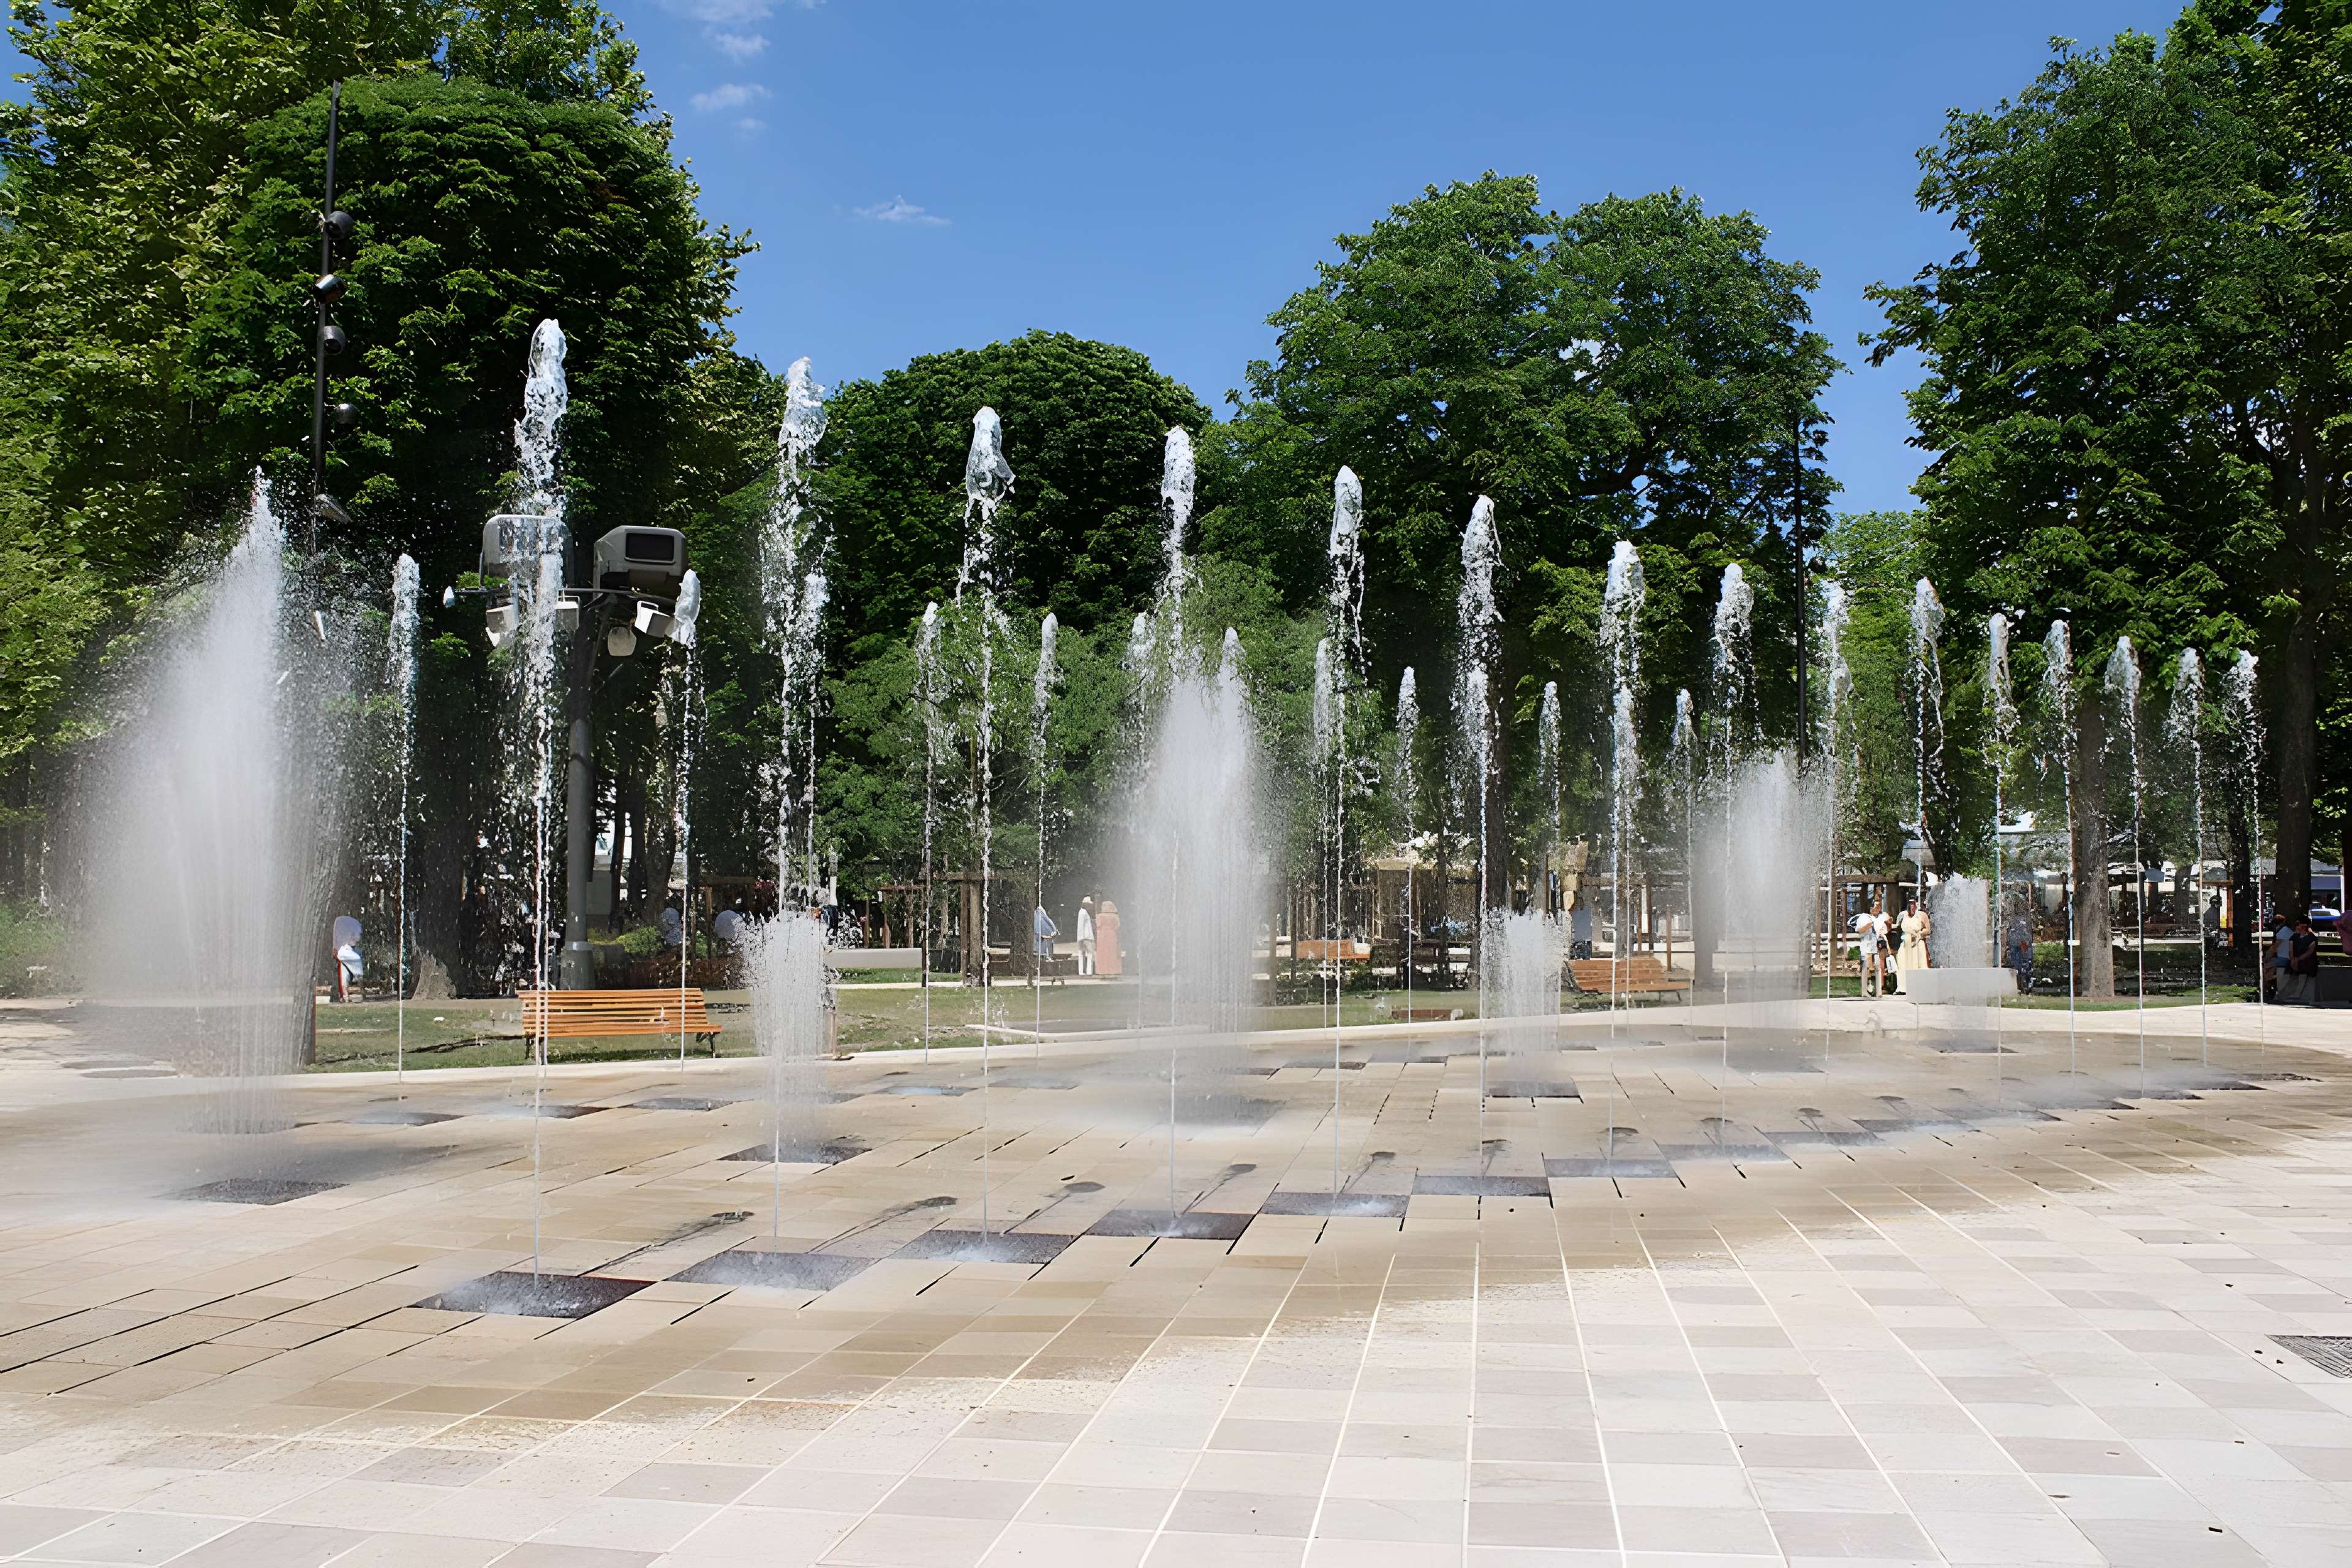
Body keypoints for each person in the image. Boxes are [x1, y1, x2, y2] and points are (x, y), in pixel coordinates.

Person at [1894, 896, 1932, 993]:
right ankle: (1902, 987)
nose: (1912, 906)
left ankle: (1919, 987)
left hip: (1917, 942)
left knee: (1919, 964)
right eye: (1910, 904)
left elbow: (1928, 930)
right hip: (1906, 942)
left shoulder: (1922, 915)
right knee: (1902, 963)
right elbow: (1897, 926)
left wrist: (1920, 933)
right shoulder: (1903, 915)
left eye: (1913, 903)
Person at [1852, 899, 1887, 997]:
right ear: (1869, 907)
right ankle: (1864, 992)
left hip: (1875, 947)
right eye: (1873, 906)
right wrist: (1868, 926)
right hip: (1866, 947)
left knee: (1878, 968)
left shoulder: (1875, 918)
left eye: (1876, 907)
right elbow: (1859, 930)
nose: (1875, 908)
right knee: (1866, 968)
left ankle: (1879, 992)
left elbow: (1879, 931)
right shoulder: (1863, 917)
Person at [2005, 913, 2034, 992]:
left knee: (2023, 965)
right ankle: (2022, 986)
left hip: (2021, 944)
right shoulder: (2019, 922)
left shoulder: (2016, 922)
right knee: (2019, 966)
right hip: (2019, 945)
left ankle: (2023, 986)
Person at [1094, 900, 1123, 977]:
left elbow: (1098, 925)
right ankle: (1113, 970)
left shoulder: (1100, 916)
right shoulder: (1115, 916)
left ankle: (1102, 970)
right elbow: (1117, 926)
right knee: (1112, 953)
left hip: (1102, 936)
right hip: (1112, 935)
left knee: (1103, 953)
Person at [1031, 902, 1058, 971]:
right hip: (1040, 939)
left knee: (1039, 952)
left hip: (1039, 939)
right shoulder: (1039, 914)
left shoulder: (1038, 914)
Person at [1076, 895, 1097, 976]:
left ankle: (1084, 971)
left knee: (1083, 953)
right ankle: (1088, 971)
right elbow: (1081, 926)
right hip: (1086, 937)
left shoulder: (1084, 912)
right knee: (1088, 953)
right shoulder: (1083, 912)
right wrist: (1081, 938)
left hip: (1084, 936)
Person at [1569, 896, 1594, 962]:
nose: (1579, 904)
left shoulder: (1587, 911)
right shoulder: (1576, 913)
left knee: (1586, 958)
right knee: (1580, 958)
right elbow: (1570, 912)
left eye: (1580, 903)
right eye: (1578, 903)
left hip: (1585, 938)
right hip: (1579, 937)